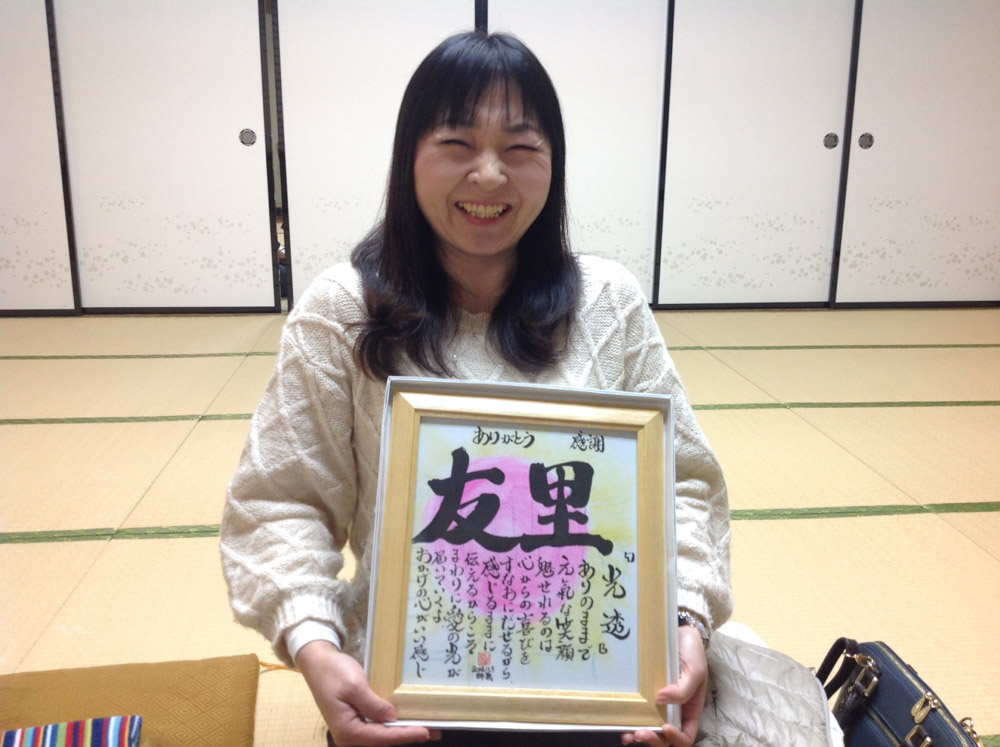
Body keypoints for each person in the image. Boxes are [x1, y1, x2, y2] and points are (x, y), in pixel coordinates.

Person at [221, 30, 839, 747]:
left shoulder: (608, 304)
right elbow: (280, 500)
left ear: (553, 163)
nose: (488, 175)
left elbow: (684, 485)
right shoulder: (341, 311)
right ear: (409, 156)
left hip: (602, 681)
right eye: (456, 143)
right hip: (411, 692)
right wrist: (312, 642)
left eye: (519, 148)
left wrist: (684, 620)